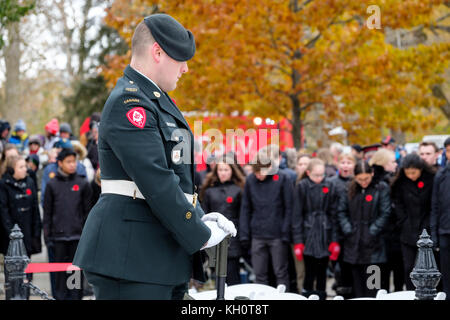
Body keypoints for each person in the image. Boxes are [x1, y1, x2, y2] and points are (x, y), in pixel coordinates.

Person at [73, 14, 235, 300]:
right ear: (157, 52)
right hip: (131, 257)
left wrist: (200, 217)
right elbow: (156, 180)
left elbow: (176, 178)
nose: (185, 69)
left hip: (157, 255)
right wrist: (200, 232)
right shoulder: (130, 102)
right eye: (180, 59)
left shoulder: (155, 102)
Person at [43, 148, 92, 300]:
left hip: (76, 238)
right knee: (59, 277)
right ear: (60, 163)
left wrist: (85, 235)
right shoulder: (52, 185)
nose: (72, 165)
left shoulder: (82, 183)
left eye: (74, 161)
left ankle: (75, 297)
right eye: (68, 162)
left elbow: (87, 212)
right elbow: (47, 213)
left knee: (75, 275)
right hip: (58, 239)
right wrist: (48, 237)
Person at [337, 160, 391, 297]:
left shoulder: (381, 188)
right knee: (358, 285)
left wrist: (373, 231)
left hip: (374, 244)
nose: (364, 182)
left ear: (372, 173)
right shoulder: (348, 188)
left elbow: (385, 212)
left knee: (373, 285)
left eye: (366, 178)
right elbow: (341, 211)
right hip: (354, 242)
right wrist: (348, 229)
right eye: (360, 179)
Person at [239, 154, 292, 289]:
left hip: (278, 234)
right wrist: (244, 234)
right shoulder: (251, 180)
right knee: (259, 274)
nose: (258, 175)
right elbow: (246, 208)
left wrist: (286, 232)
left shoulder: (283, 178)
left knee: (280, 272)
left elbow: (289, 207)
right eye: (255, 172)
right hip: (257, 233)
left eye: (260, 172)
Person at [291, 158, 338, 300]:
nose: (319, 178)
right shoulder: (302, 186)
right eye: (316, 175)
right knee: (309, 271)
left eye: (322, 175)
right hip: (308, 231)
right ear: (308, 173)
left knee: (322, 270)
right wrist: (298, 241)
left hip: (325, 231)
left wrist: (334, 240)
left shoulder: (329, 185)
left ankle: (321, 295)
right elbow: (297, 215)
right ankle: (307, 294)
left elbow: (333, 213)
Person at [391, 153, 436, 290]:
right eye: (408, 172)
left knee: (429, 267)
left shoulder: (431, 179)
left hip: (426, 228)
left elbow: (433, 205)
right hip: (407, 230)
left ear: (421, 169)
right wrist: (403, 221)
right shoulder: (400, 183)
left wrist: (429, 225)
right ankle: (411, 292)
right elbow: (397, 204)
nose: (411, 175)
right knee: (410, 266)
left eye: (414, 172)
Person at [199, 159, 245, 285]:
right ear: (216, 171)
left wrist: (242, 237)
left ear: (232, 171)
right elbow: (204, 215)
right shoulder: (209, 191)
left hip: (233, 237)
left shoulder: (238, 190)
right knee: (216, 275)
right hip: (214, 237)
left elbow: (243, 215)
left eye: (226, 169)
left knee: (232, 273)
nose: (223, 173)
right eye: (220, 170)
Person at [369, 148, 403, 292]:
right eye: (393, 162)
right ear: (383, 163)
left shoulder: (392, 180)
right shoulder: (384, 183)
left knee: (380, 279)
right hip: (384, 235)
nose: (396, 165)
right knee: (385, 276)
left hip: (384, 235)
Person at [0, 155, 42, 258]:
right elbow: (3, 211)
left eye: (25, 166)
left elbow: (35, 208)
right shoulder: (4, 184)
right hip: (10, 235)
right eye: (21, 167)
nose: (25, 169)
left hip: (27, 232)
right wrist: (11, 233)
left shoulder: (30, 182)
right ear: (11, 169)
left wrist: (36, 232)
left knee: (27, 266)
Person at [329, 153, 356, 298]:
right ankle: (341, 289)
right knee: (339, 267)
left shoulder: (357, 181)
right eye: (343, 162)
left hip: (353, 230)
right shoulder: (332, 182)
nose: (345, 165)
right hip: (337, 231)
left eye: (349, 162)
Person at [431, 137, 450, 299]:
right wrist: (434, 234)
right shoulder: (441, 175)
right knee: (446, 273)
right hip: (445, 231)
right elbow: (435, 207)